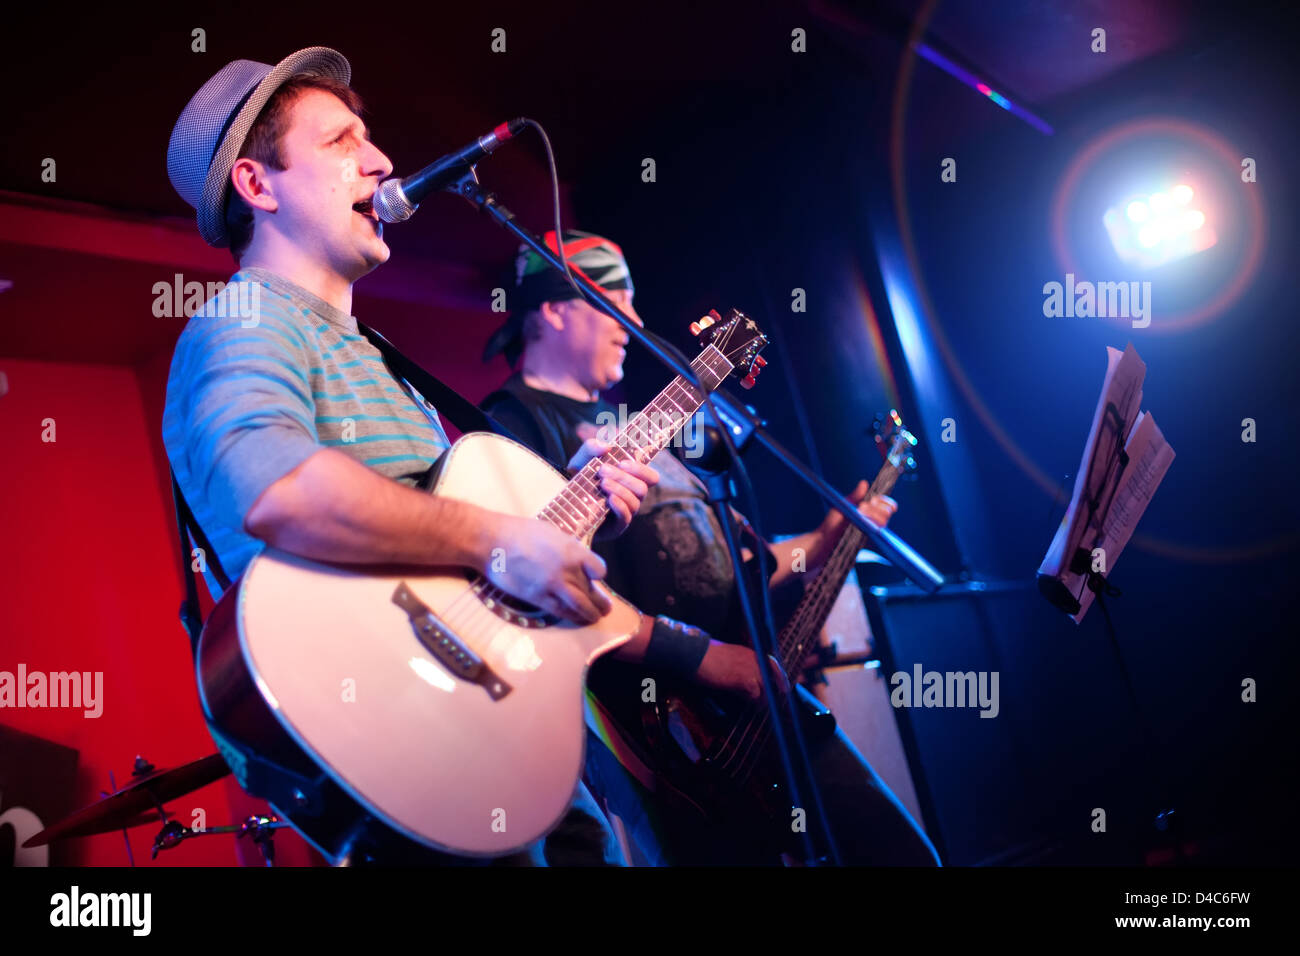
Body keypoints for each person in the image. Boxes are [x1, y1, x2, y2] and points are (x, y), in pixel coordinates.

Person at [162, 48, 662, 866]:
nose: (383, 161)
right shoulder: (248, 317)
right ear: (258, 186)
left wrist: (562, 510)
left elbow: (440, 554)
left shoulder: (369, 352)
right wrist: (503, 539)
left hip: (486, 727)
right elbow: (281, 491)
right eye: (341, 142)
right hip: (406, 732)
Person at [481, 230, 941, 865]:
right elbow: (532, 567)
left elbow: (737, 565)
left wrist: (825, 538)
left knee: (900, 853)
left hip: (751, 690)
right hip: (661, 725)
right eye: (617, 299)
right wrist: (705, 659)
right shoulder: (508, 423)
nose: (634, 320)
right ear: (555, 308)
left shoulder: (642, 428)